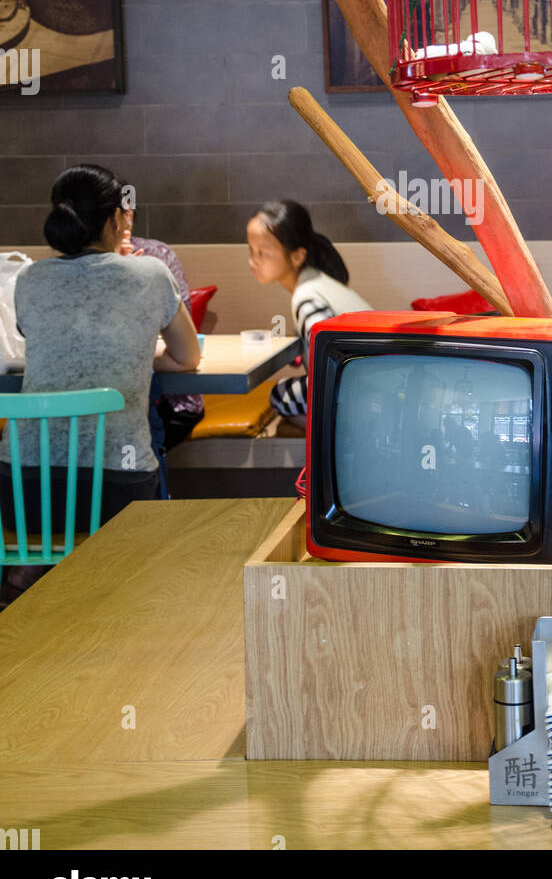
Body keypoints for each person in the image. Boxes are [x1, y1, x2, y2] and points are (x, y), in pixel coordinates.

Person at [0, 164, 200, 603]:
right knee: (139, 460)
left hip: (24, 490)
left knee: (50, 536)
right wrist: (134, 357)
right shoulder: (150, 273)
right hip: (116, 487)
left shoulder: (30, 279)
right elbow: (188, 357)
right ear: (115, 219)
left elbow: (55, 347)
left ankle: (30, 590)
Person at [246, 200, 371, 424]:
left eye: (262, 253)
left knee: (279, 395)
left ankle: (332, 443)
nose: (252, 261)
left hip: (361, 391)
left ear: (296, 256)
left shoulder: (307, 297)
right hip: (370, 381)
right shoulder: (318, 281)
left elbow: (330, 369)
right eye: (251, 250)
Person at [119, 214, 204, 452]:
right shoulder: (50, 275)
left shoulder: (155, 259)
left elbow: (182, 342)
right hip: (109, 416)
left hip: (162, 404)